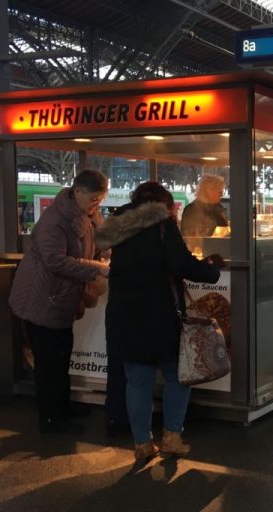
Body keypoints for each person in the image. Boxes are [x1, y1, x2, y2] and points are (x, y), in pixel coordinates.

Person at [96, 182, 223, 462]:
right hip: (161, 315)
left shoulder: (118, 227)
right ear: (162, 204)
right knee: (178, 376)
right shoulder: (163, 225)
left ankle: (142, 444)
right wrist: (212, 271)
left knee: (137, 381)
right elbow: (182, 264)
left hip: (124, 316)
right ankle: (172, 437)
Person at [9, 170, 110, 434]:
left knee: (62, 355)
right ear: (77, 191)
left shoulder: (85, 216)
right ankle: (51, 418)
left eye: (100, 200)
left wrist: (102, 247)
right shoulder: (54, 220)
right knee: (49, 362)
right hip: (41, 299)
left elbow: (93, 246)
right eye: (94, 199)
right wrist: (97, 268)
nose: (96, 204)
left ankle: (62, 406)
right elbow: (55, 260)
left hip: (58, 300)